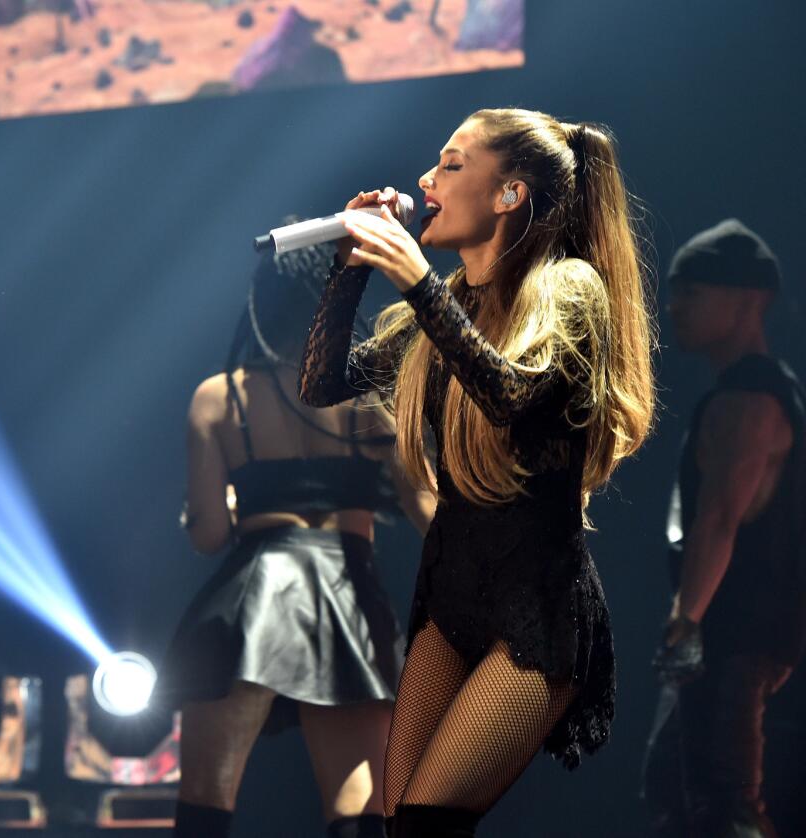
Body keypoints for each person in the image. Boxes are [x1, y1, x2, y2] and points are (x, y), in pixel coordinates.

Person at [299, 107, 656, 836]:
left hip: (537, 602)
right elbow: (322, 385)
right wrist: (348, 271)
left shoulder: (569, 289)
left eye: (452, 165)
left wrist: (415, 279)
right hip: (452, 589)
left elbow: (511, 398)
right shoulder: (446, 307)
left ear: (509, 194)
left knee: (430, 818)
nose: (426, 181)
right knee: (400, 820)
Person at [157, 233, 434, 838]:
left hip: (252, 598)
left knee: (206, 796)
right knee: (359, 803)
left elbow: (208, 535)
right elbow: (429, 514)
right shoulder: (374, 398)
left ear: (266, 301)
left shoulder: (220, 398)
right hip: (350, 594)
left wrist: (212, 509)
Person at [643, 219, 806, 837]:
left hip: (731, 636)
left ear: (747, 301)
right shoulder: (765, 392)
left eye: (693, 291)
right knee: (684, 791)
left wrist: (686, 622)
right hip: (737, 636)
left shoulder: (748, 400)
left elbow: (718, 519)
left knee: (722, 802)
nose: (675, 306)